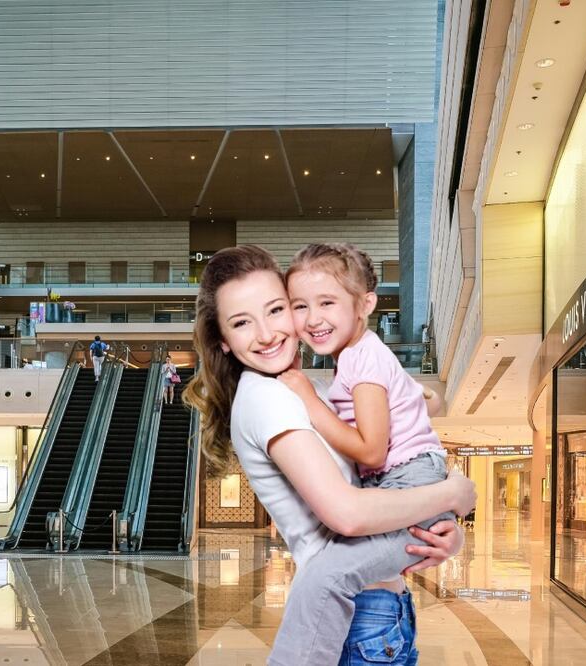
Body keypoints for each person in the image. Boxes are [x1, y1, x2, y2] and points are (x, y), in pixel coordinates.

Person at [184, 245, 474, 665]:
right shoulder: (269, 398)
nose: (266, 334)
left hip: (383, 611)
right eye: (242, 322)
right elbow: (348, 514)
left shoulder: (308, 384)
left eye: (277, 310)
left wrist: (438, 532)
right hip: (361, 617)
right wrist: (453, 495)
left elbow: (424, 403)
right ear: (224, 341)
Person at [276, 243, 461, 661]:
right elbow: (421, 398)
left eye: (328, 302)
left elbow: (372, 451)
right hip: (410, 481)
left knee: (328, 575)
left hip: (409, 479)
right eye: (299, 305)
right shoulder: (360, 356)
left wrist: (309, 398)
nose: (313, 318)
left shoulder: (363, 360)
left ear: (366, 304)